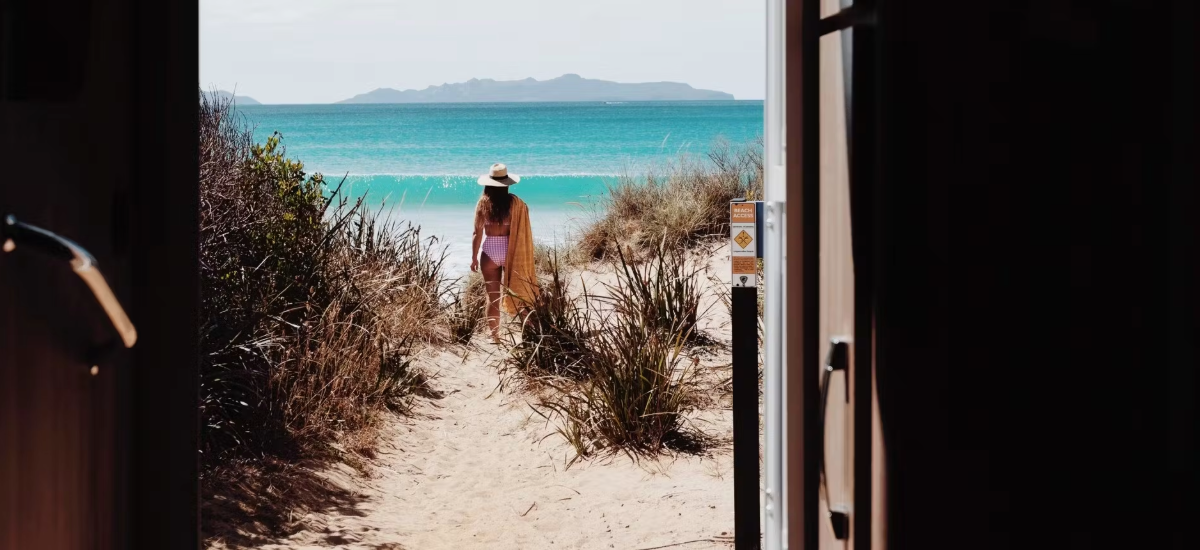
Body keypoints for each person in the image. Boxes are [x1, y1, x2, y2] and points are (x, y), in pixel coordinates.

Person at [470, 163, 538, 343]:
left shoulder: (483, 203)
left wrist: (474, 258)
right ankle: (528, 334)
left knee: (492, 298)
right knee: (521, 293)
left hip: (490, 251)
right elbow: (523, 228)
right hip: (511, 251)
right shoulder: (516, 203)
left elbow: (477, 233)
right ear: (507, 184)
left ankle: (495, 337)